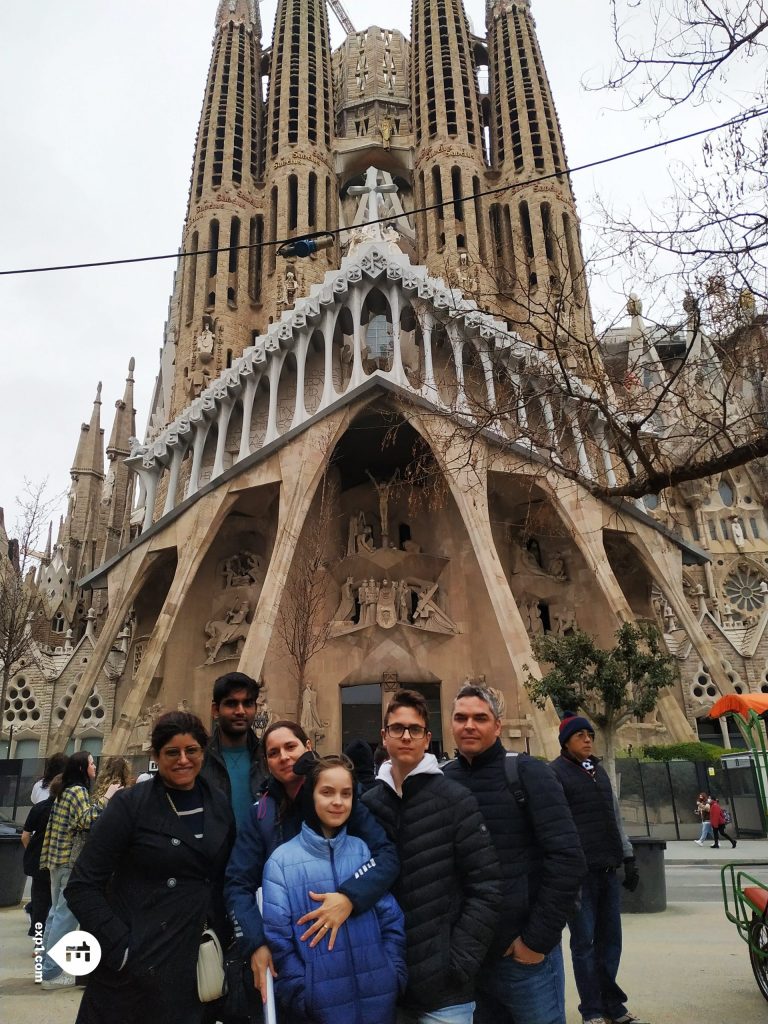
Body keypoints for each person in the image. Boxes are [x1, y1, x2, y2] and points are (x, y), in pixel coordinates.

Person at [66, 711, 236, 1024]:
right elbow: (81, 886)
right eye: (172, 752)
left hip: (194, 962)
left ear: (204, 752)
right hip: (135, 969)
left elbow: (224, 878)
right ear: (156, 755)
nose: (183, 760)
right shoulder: (131, 804)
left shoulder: (219, 803)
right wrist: (121, 948)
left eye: (192, 750)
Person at [225, 720, 400, 1005]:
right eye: (273, 752)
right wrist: (255, 942)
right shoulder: (261, 815)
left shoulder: (342, 797)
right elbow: (237, 884)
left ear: (308, 747)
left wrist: (350, 896)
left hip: (359, 957)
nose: (283, 756)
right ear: (266, 762)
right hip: (294, 961)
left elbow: (386, 857)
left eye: (290, 746)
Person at [444, 684, 586, 1024]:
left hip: (521, 956)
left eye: (480, 718)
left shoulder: (527, 772)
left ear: (497, 725)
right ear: (450, 724)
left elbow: (568, 858)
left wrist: (536, 941)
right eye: (460, 718)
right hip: (469, 957)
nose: (469, 725)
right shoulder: (441, 780)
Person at [362, 688, 502, 1024]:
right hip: (381, 984)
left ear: (427, 738)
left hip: (445, 993)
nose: (406, 736)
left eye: (414, 729)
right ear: (384, 736)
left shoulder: (456, 800)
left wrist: (458, 961)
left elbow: (486, 886)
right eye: (397, 728)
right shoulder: (367, 806)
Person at [261, 754, 406, 1024]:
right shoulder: (281, 863)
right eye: (327, 792)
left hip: (379, 1001)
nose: (338, 802)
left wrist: (393, 973)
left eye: (346, 794)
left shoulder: (363, 850)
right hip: (319, 1009)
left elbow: (391, 919)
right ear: (310, 796)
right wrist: (304, 995)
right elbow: (279, 942)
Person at [550, 715, 645, 1024]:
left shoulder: (599, 772)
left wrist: (628, 857)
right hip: (579, 875)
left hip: (607, 869)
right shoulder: (555, 774)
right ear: (566, 741)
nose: (588, 739)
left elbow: (615, 817)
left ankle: (611, 1004)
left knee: (611, 941)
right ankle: (592, 1010)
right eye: (580, 735)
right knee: (584, 943)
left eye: (590, 734)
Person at [39, 750, 121, 989]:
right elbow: (86, 820)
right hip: (68, 860)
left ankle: (45, 969)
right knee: (66, 917)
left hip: (56, 860)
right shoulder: (78, 791)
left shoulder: (63, 790)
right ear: (82, 768)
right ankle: (50, 974)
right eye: (92, 764)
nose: (94, 767)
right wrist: (108, 797)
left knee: (55, 914)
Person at [200, 671, 265, 831]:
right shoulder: (198, 759)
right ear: (215, 710)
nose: (240, 711)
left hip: (258, 853)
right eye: (231, 703)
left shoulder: (268, 757)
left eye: (247, 703)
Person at [21, 778, 60, 939]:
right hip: (57, 861)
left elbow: (25, 836)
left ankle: (38, 940)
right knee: (55, 904)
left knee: (39, 903)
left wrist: (31, 851)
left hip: (38, 860)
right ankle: (51, 939)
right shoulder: (63, 811)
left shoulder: (39, 808)